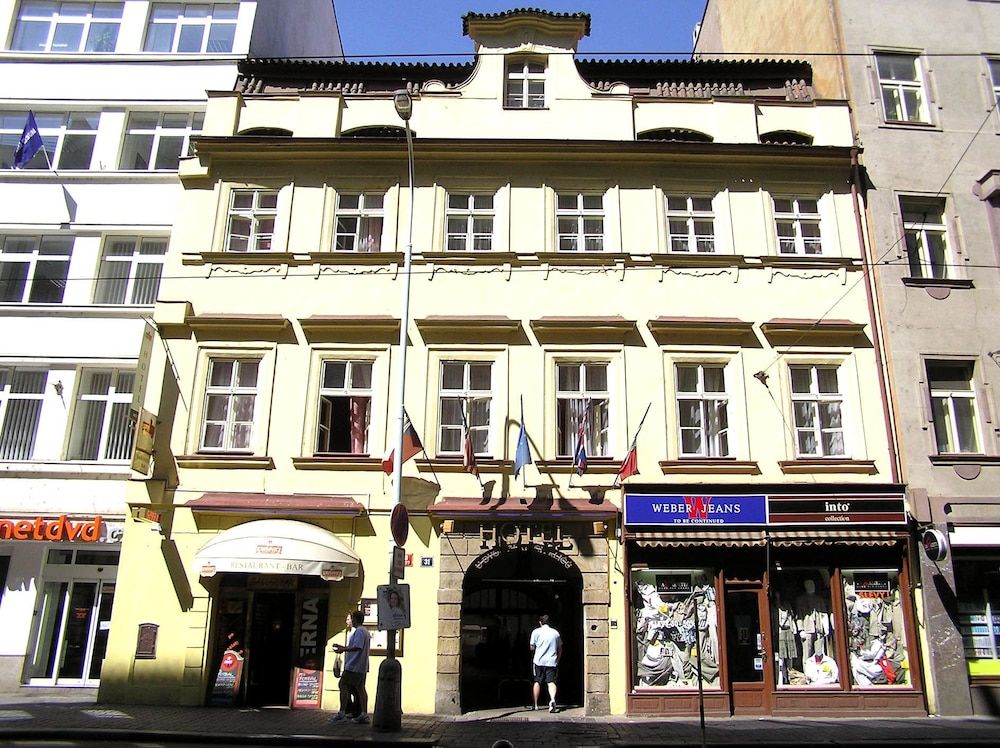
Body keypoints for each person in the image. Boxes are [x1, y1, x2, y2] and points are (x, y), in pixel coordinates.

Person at [331, 611, 370, 724]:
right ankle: (363, 714)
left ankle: (343, 712)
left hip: (354, 665)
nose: (350, 621)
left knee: (342, 684)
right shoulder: (364, 631)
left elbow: (357, 647)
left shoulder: (359, 631)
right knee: (360, 688)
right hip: (361, 666)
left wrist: (343, 649)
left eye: (352, 618)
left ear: (355, 619)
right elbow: (355, 646)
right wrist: (342, 647)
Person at [529, 614, 562, 713]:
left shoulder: (536, 632)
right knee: (551, 682)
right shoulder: (555, 633)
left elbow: (532, 647)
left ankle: (535, 704)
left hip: (538, 661)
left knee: (537, 681)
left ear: (540, 622)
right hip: (551, 661)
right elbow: (560, 648)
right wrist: (557, 659)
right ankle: (552, 700)